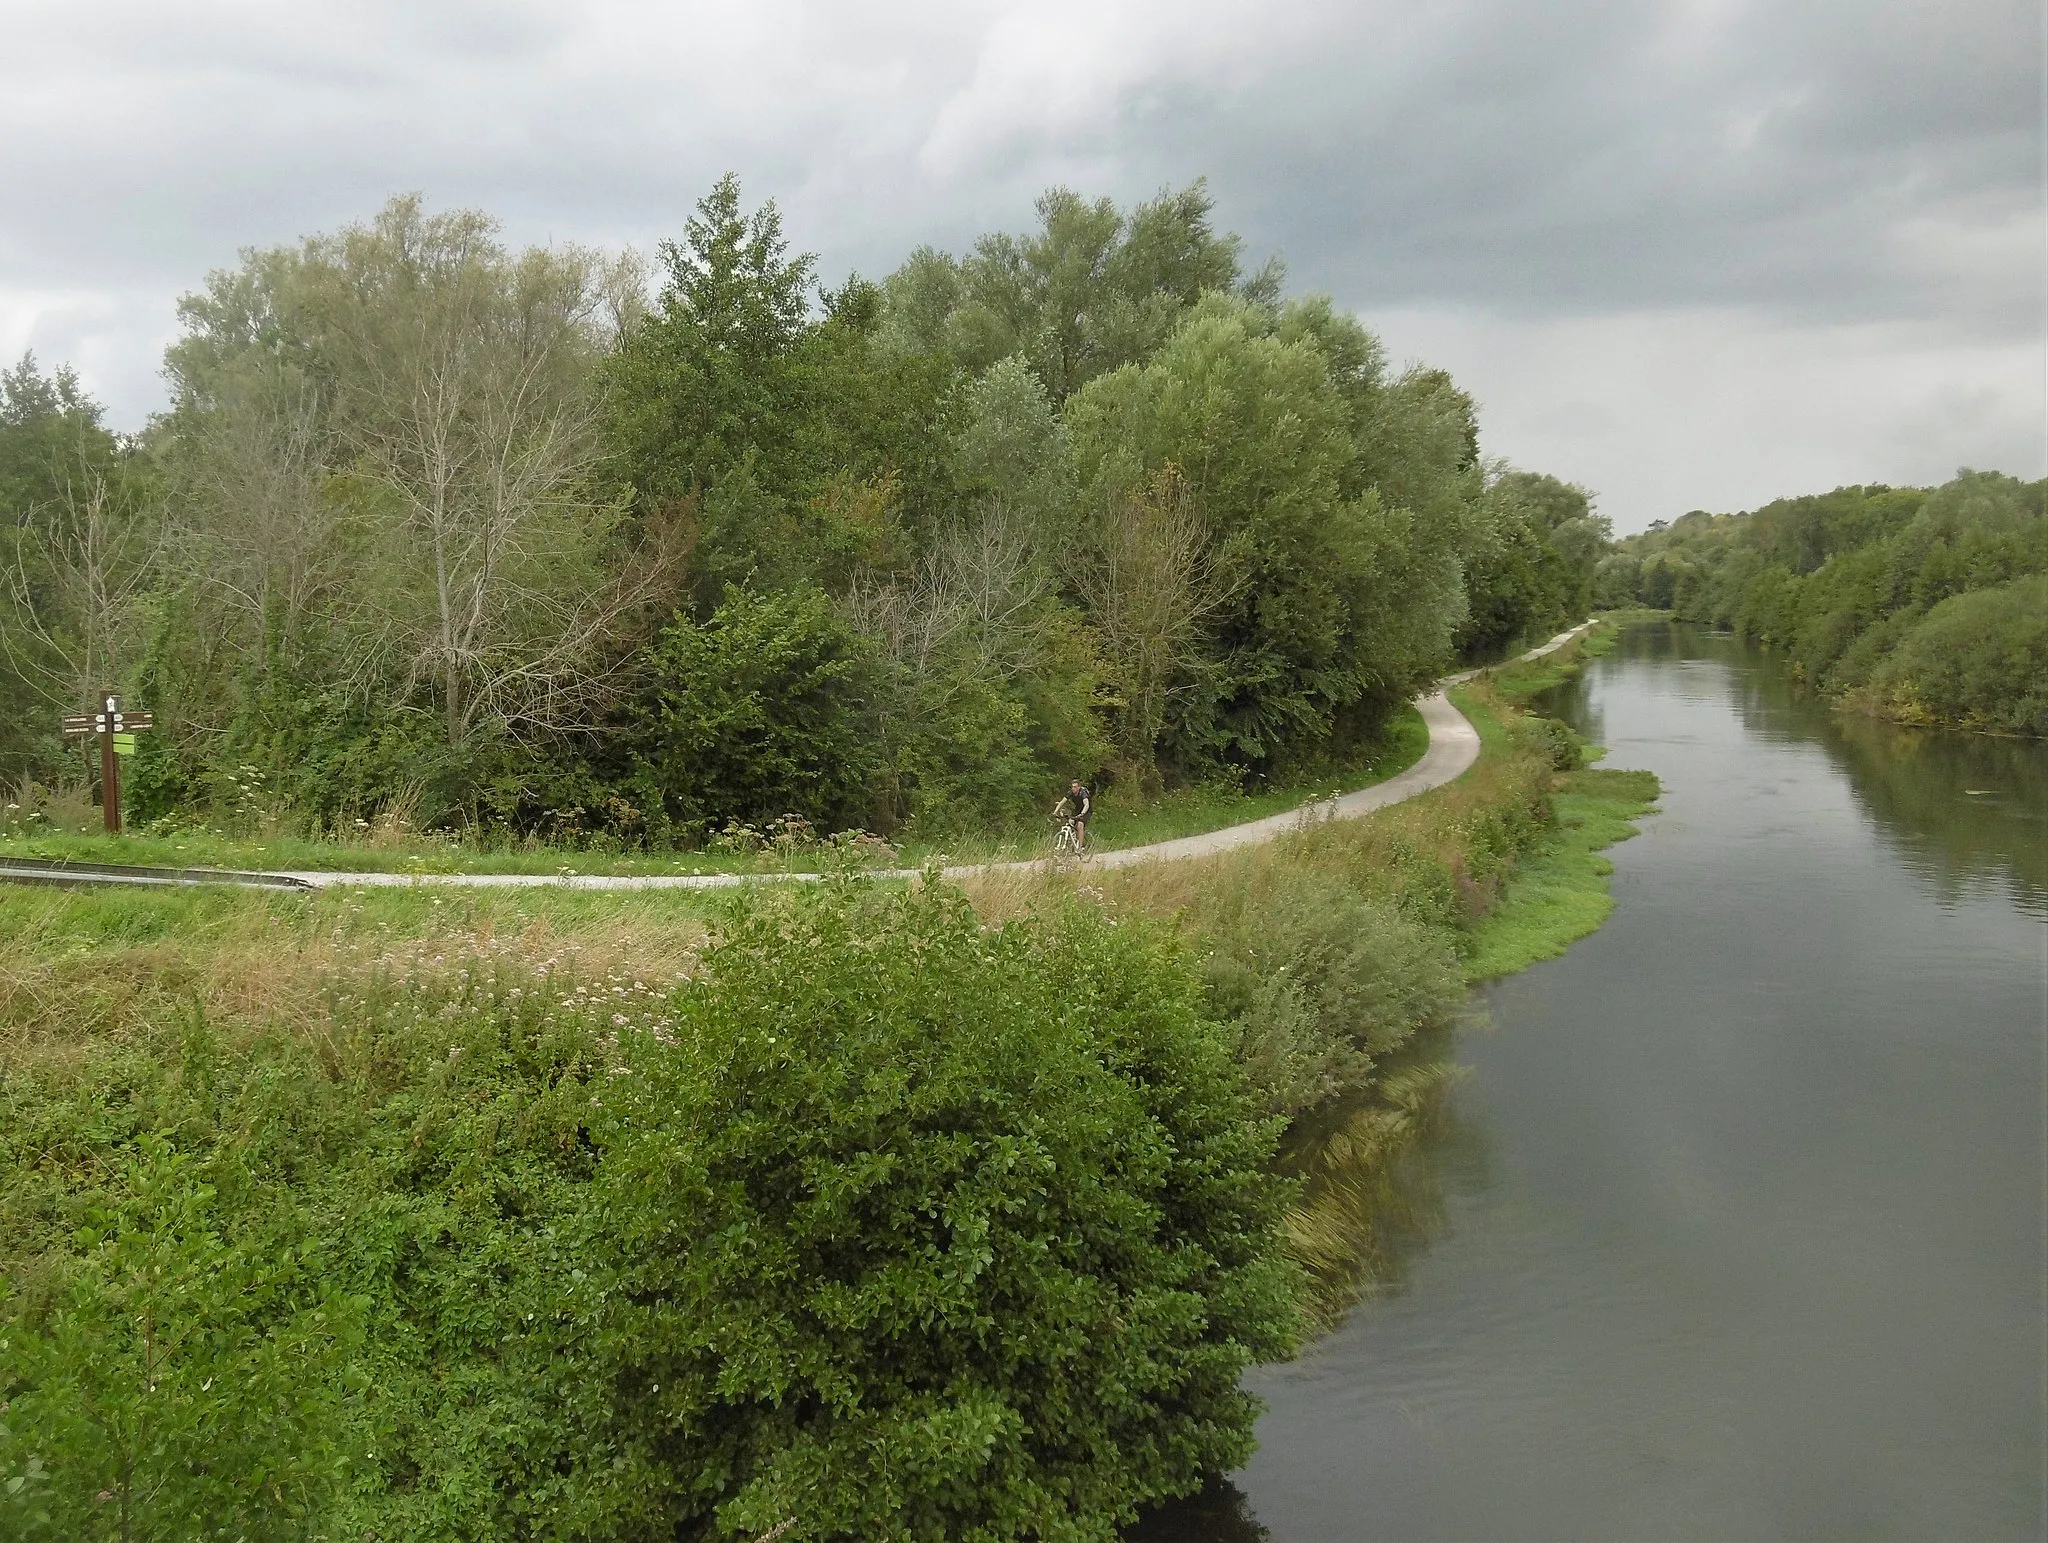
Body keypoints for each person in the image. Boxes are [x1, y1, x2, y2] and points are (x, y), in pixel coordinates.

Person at [1064, 778, 1091, 853]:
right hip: (1077, 810)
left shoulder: (1083, 793)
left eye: (1075, 787)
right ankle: (1074, 840)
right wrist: (1055, 811)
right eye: (1072, 787)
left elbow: (1086, 805)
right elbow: (1062, 801)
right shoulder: (1071, 792)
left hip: (1086, 811)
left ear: (1079, 787)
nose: (1073, 788)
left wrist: (1082, 814)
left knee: (1080, 825)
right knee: (1070, 822)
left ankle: (1080, 847)